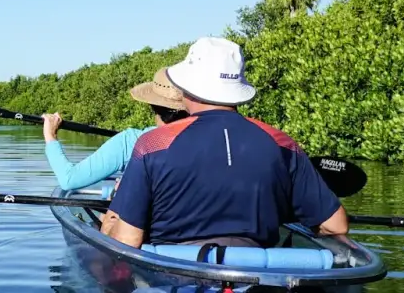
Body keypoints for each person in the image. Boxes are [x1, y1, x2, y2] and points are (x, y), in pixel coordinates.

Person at [105, 37, 349, 249]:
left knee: (111, 227)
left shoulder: (152, 143)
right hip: (256, 276)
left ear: (185, 87)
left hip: (174, 276)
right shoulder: (282, 143)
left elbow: (128, 240)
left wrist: (110, 225)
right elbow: (335, 225)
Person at [40, 67, 190, 192]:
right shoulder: (208, 138)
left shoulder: (130, 141)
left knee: (106, 217)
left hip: (147, 222)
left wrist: (50, 135)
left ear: (153, 105)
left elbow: (69, 179)